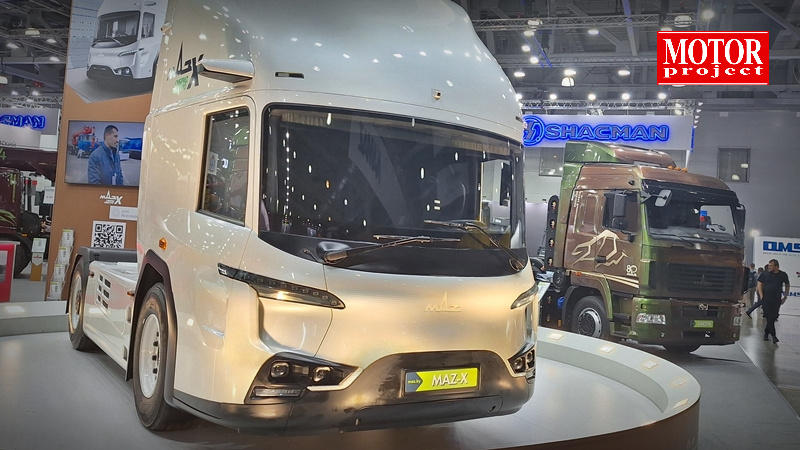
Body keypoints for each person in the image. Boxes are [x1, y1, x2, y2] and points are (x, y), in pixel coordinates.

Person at [757, 259, 790, 344]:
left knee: (773, 317)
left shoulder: (783, 275)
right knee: (768, 317)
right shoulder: (765, 274)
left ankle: (766, 333)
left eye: (771, 266)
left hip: (776, 299)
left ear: (776, 267)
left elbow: (787, 285)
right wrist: (761, 295)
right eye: (769, 265)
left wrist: (785, 296)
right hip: (766, 299)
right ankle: (774, 336)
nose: (769, 267)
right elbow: (759, 284)